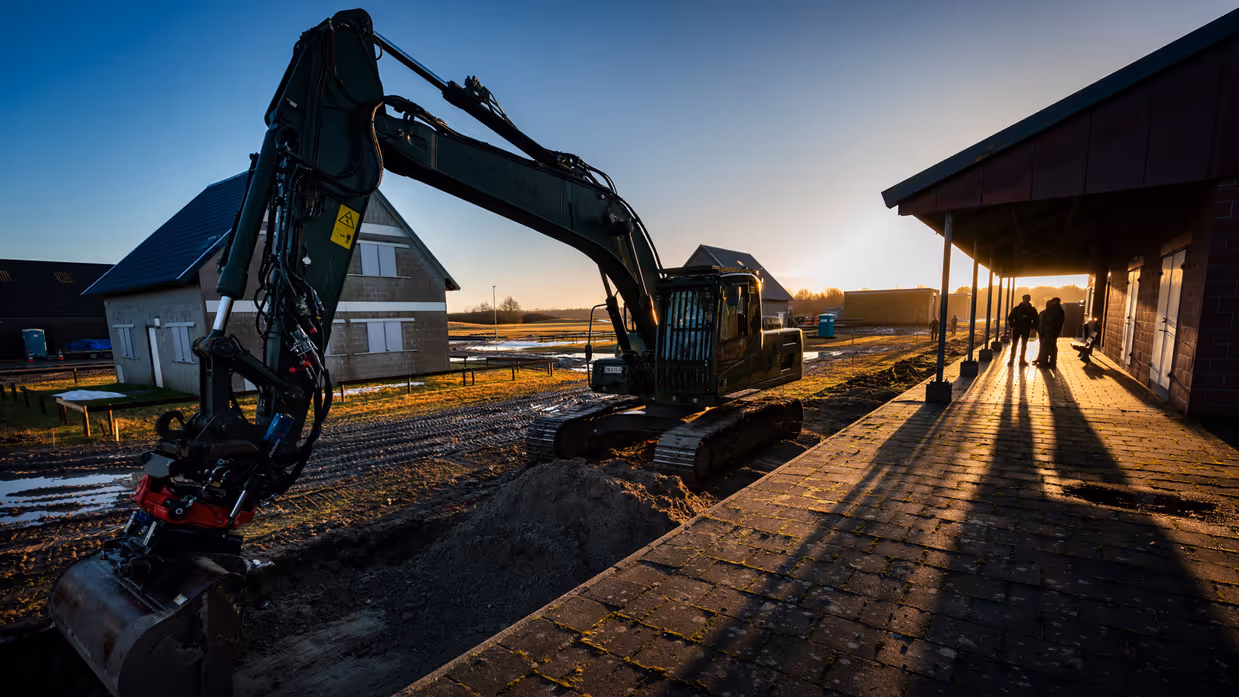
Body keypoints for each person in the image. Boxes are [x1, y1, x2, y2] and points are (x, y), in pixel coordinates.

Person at [1034, 297, 1066, 368]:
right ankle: (1052, 363)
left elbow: (1047, 321)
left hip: (1048, 331)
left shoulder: (1052, 311)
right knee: (1051, 347)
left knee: (1046, 347)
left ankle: (1044, 363)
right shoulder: (1059, 311)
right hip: (1052, 332)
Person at [1007, 295, 1039, 366]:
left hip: (1026, 329)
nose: (1026, 300)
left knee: (1024, 344)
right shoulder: (1017, 309)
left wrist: (1032, 326)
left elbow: (1036, 319)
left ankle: (1022, 360)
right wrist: (1013, 325)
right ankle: (1012, 360)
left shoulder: (1031, 309)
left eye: (1027, 299)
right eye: (1025, 299)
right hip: (1017, 329)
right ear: (1023, 299)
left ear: (1029, 300)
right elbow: (1010, 318)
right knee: (1015, 344)